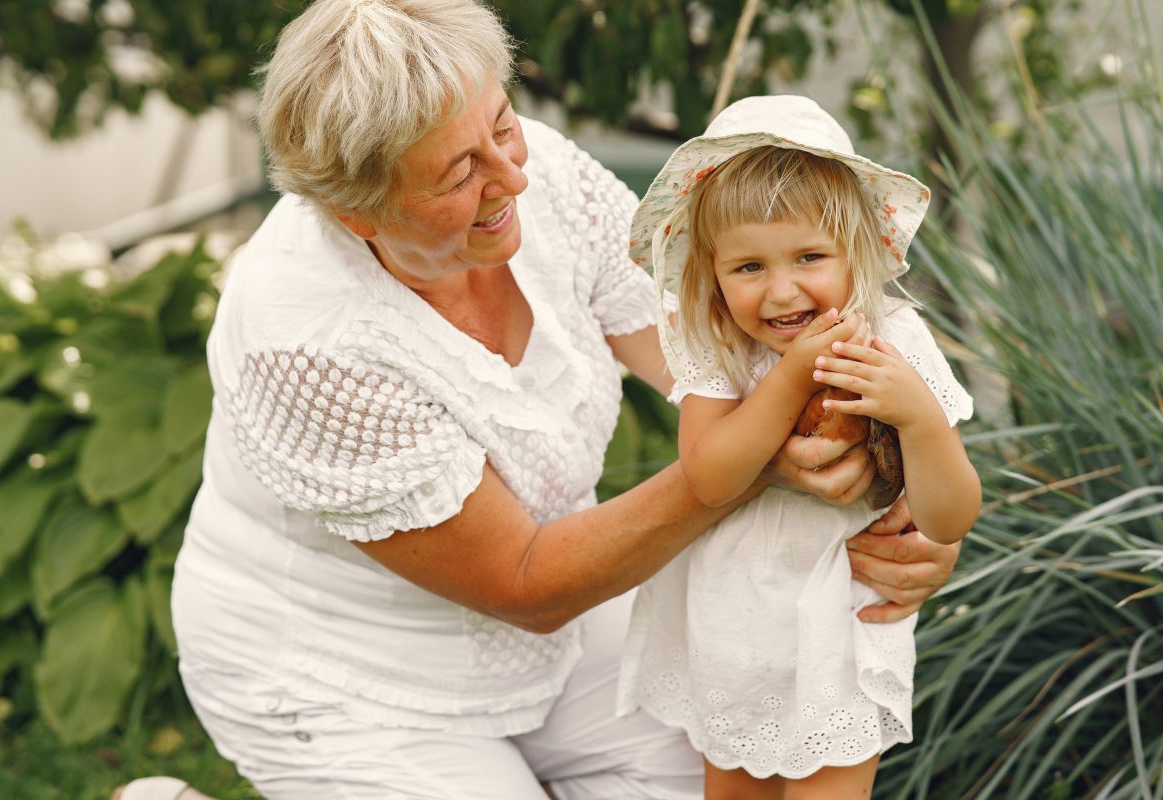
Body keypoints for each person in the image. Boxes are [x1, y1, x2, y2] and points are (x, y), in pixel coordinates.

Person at [161, 3, 964, 798]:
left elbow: (724, 357)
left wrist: (904, 522)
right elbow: (523, 582)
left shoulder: (536, 176)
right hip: (348, 670)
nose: (512, 176)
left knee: (747, 739)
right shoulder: (303, 338)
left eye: (501, 126)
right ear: (357, 213)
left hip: (568, 629)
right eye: (458, 173)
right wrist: (758, 466)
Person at [615, 95, 981, 799]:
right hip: (732, 622)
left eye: (810, 256)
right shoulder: (719, 344)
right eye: (748, 267)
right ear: (712, 271)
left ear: (859, 252)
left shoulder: (893, 346)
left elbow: (949, 517)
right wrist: (786, 381)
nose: (782, 291)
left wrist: (923, 421)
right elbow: (711, 476)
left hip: (836, 628)